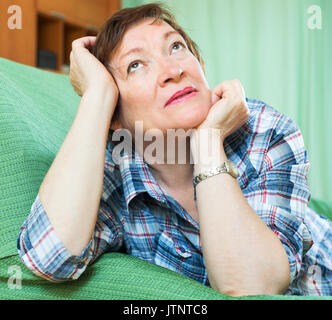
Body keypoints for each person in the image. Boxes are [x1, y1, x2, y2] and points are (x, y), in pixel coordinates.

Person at [17, 3, 332, 296]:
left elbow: (252, 288)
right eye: (136, 65)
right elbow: (49, 257)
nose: (172, 70)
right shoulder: (114, 169)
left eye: (176, 47)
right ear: (115, 111)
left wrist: (209, 140)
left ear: (201, 65)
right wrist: (96, 96)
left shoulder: (266, 130)